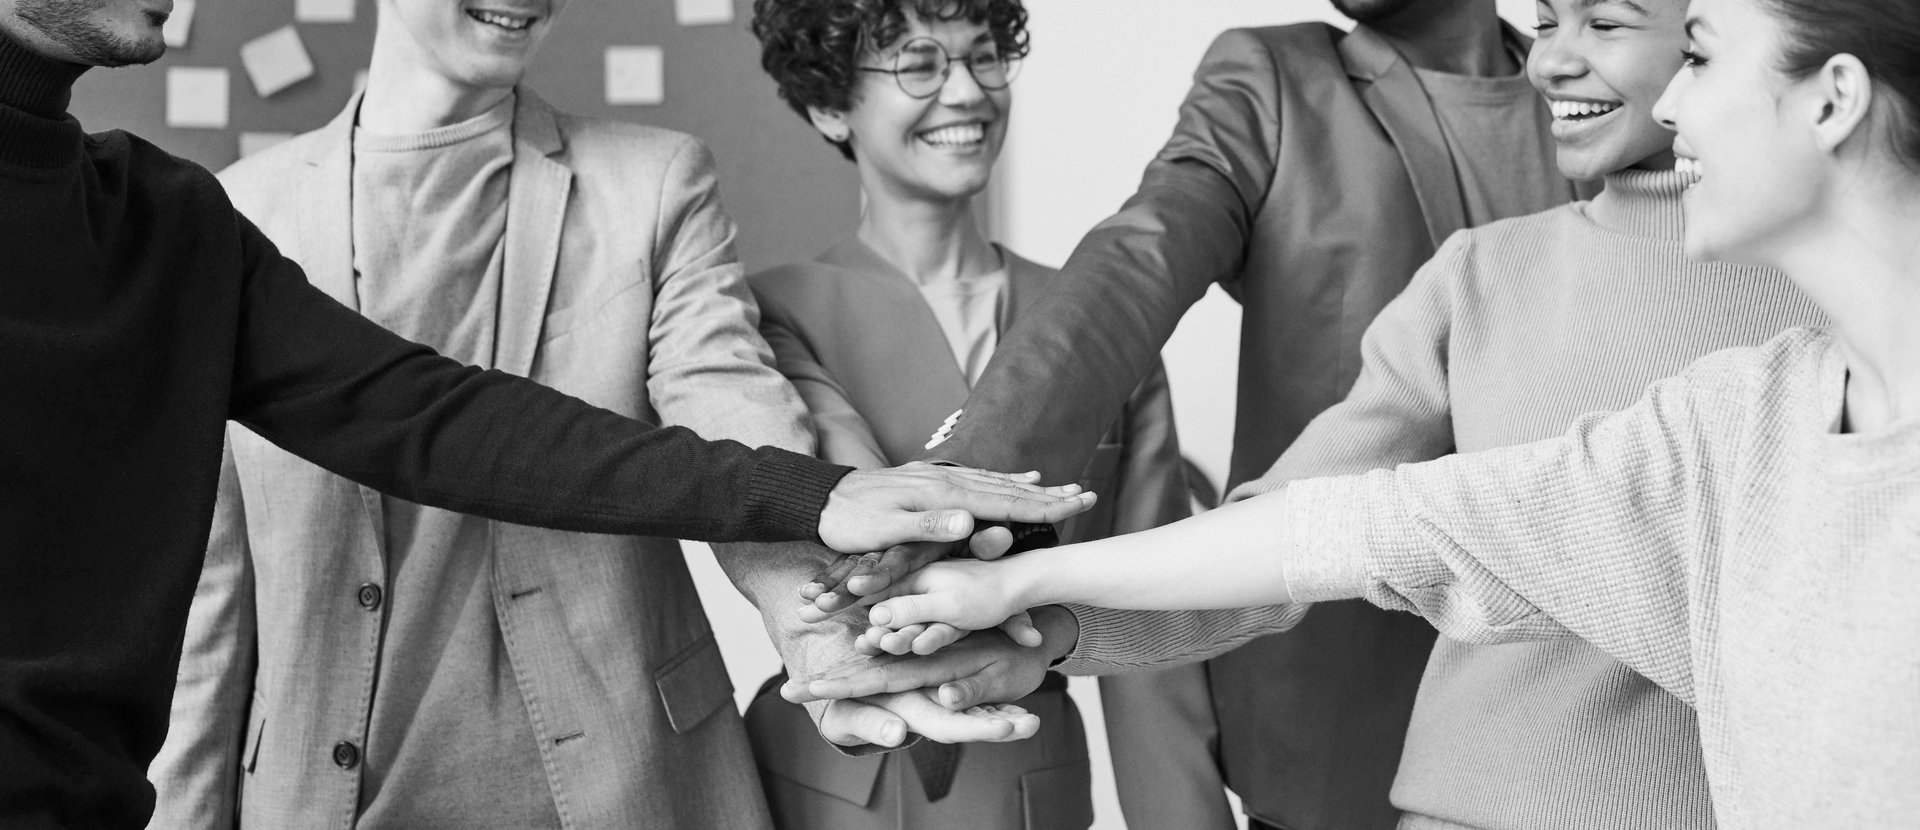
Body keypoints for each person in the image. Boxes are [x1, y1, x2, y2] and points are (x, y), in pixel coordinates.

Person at [0, 0, 1095, 824]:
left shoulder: (166, 223)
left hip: (617, 784)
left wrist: (815, 553)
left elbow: (450, 416)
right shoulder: (240, 204)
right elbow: (213, 600)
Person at [854, 0, 1920, 824]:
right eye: (1549, 19)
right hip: (1408, 779)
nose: (1562, 53)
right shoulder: (1659, 379)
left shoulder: (1783, 339)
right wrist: (1009, 568)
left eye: (1636, 31)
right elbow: (1338, 514)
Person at [801, 0, 1577, 826]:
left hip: (1570, 715)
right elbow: (1142, 256)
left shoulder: (1604, 93)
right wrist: (966, 478)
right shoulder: (1277, 79)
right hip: (1336, 709)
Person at [739, 1, 1190, 826]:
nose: (966, 92)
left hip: (1030, 777)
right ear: (829, 104)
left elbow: (1161, 608)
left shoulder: (1097, 313)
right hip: (822, 782)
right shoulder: (769, 314)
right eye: (919, 63)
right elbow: (852, 559)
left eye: (984, 57)